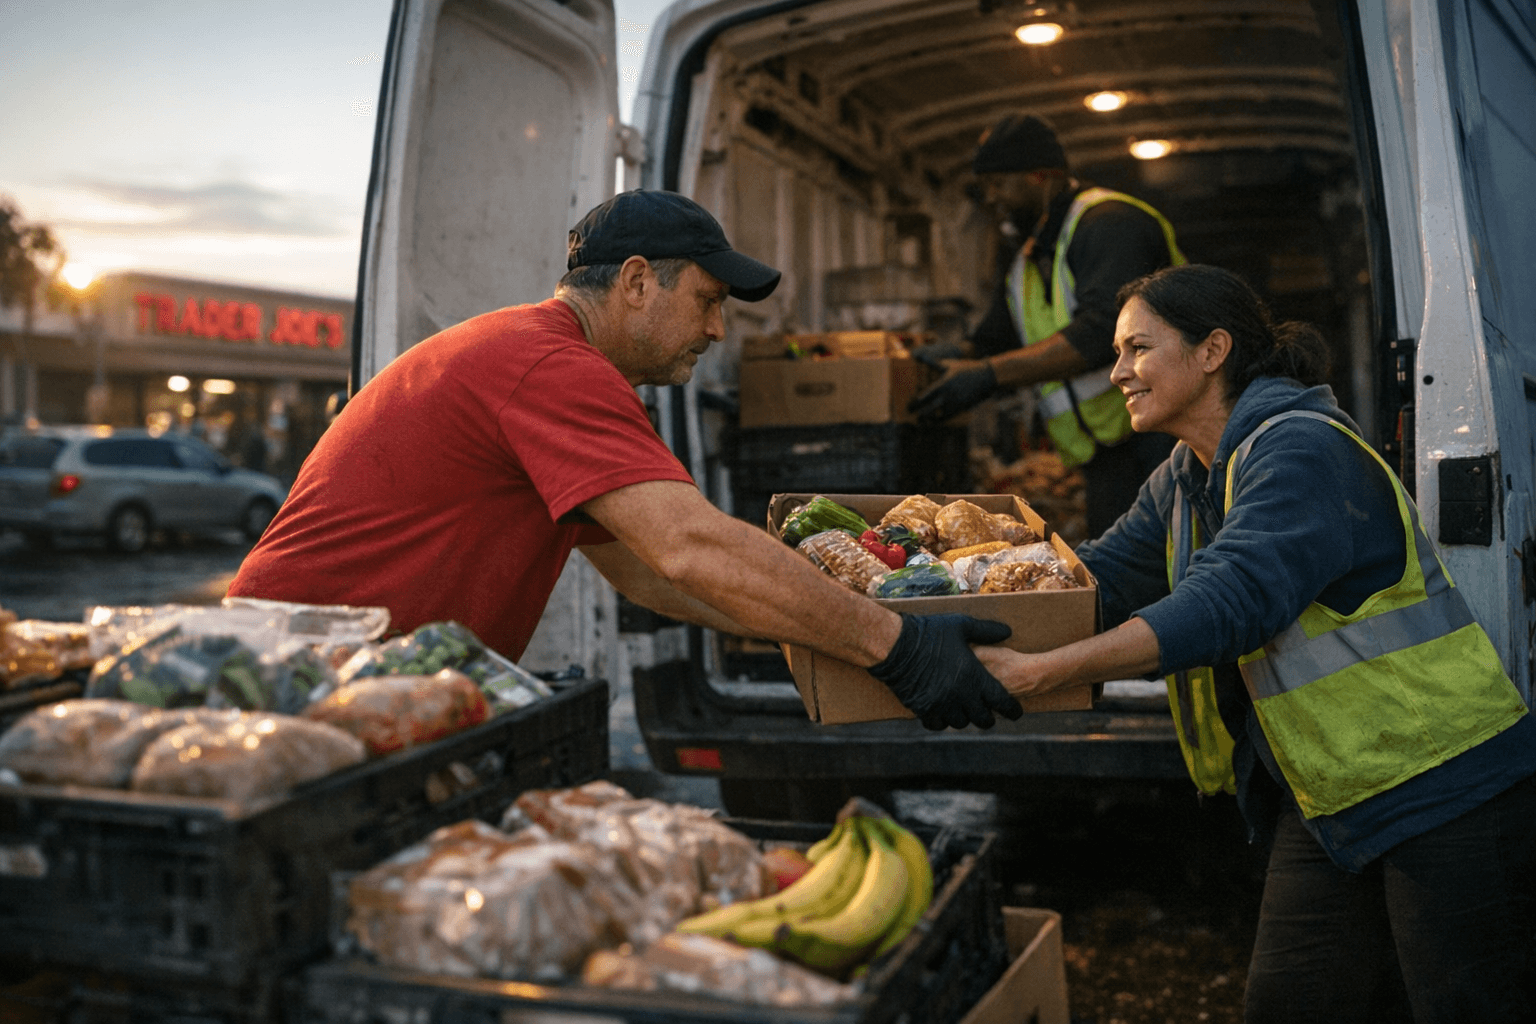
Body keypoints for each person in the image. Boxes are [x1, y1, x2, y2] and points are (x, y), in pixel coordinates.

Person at [227, 189, 1022, 732]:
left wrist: (843, 636)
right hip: (294, 683)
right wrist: (897, 648)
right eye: (708, 301)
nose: (717, 331)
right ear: (638, 282)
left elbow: (652, 573)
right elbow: (690, 545)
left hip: (346, 679)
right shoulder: (550, 369)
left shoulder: (539, 358)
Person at [977, 263, 1536, 1021]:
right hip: (1335, 797)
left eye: (1138, 348)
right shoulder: (1187, 474)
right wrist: (934, 609)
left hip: (1445, 787)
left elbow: (1225, 603)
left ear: (1212, 350)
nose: (1116, 373)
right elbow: (1094, 580)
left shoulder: (1301, 450)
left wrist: (1044, 673)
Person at [910, 113, 1181, 538]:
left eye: (1000, 184)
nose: (993, 199)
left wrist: (989, 374)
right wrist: (951, 356)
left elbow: (1101, 332)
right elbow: (997, 338)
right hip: (1107, 446)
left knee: (1165, 557)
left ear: (1042, 177)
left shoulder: (1107, 225)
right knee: (1123, 565)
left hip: (1163, 436)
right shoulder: (1029, 257)